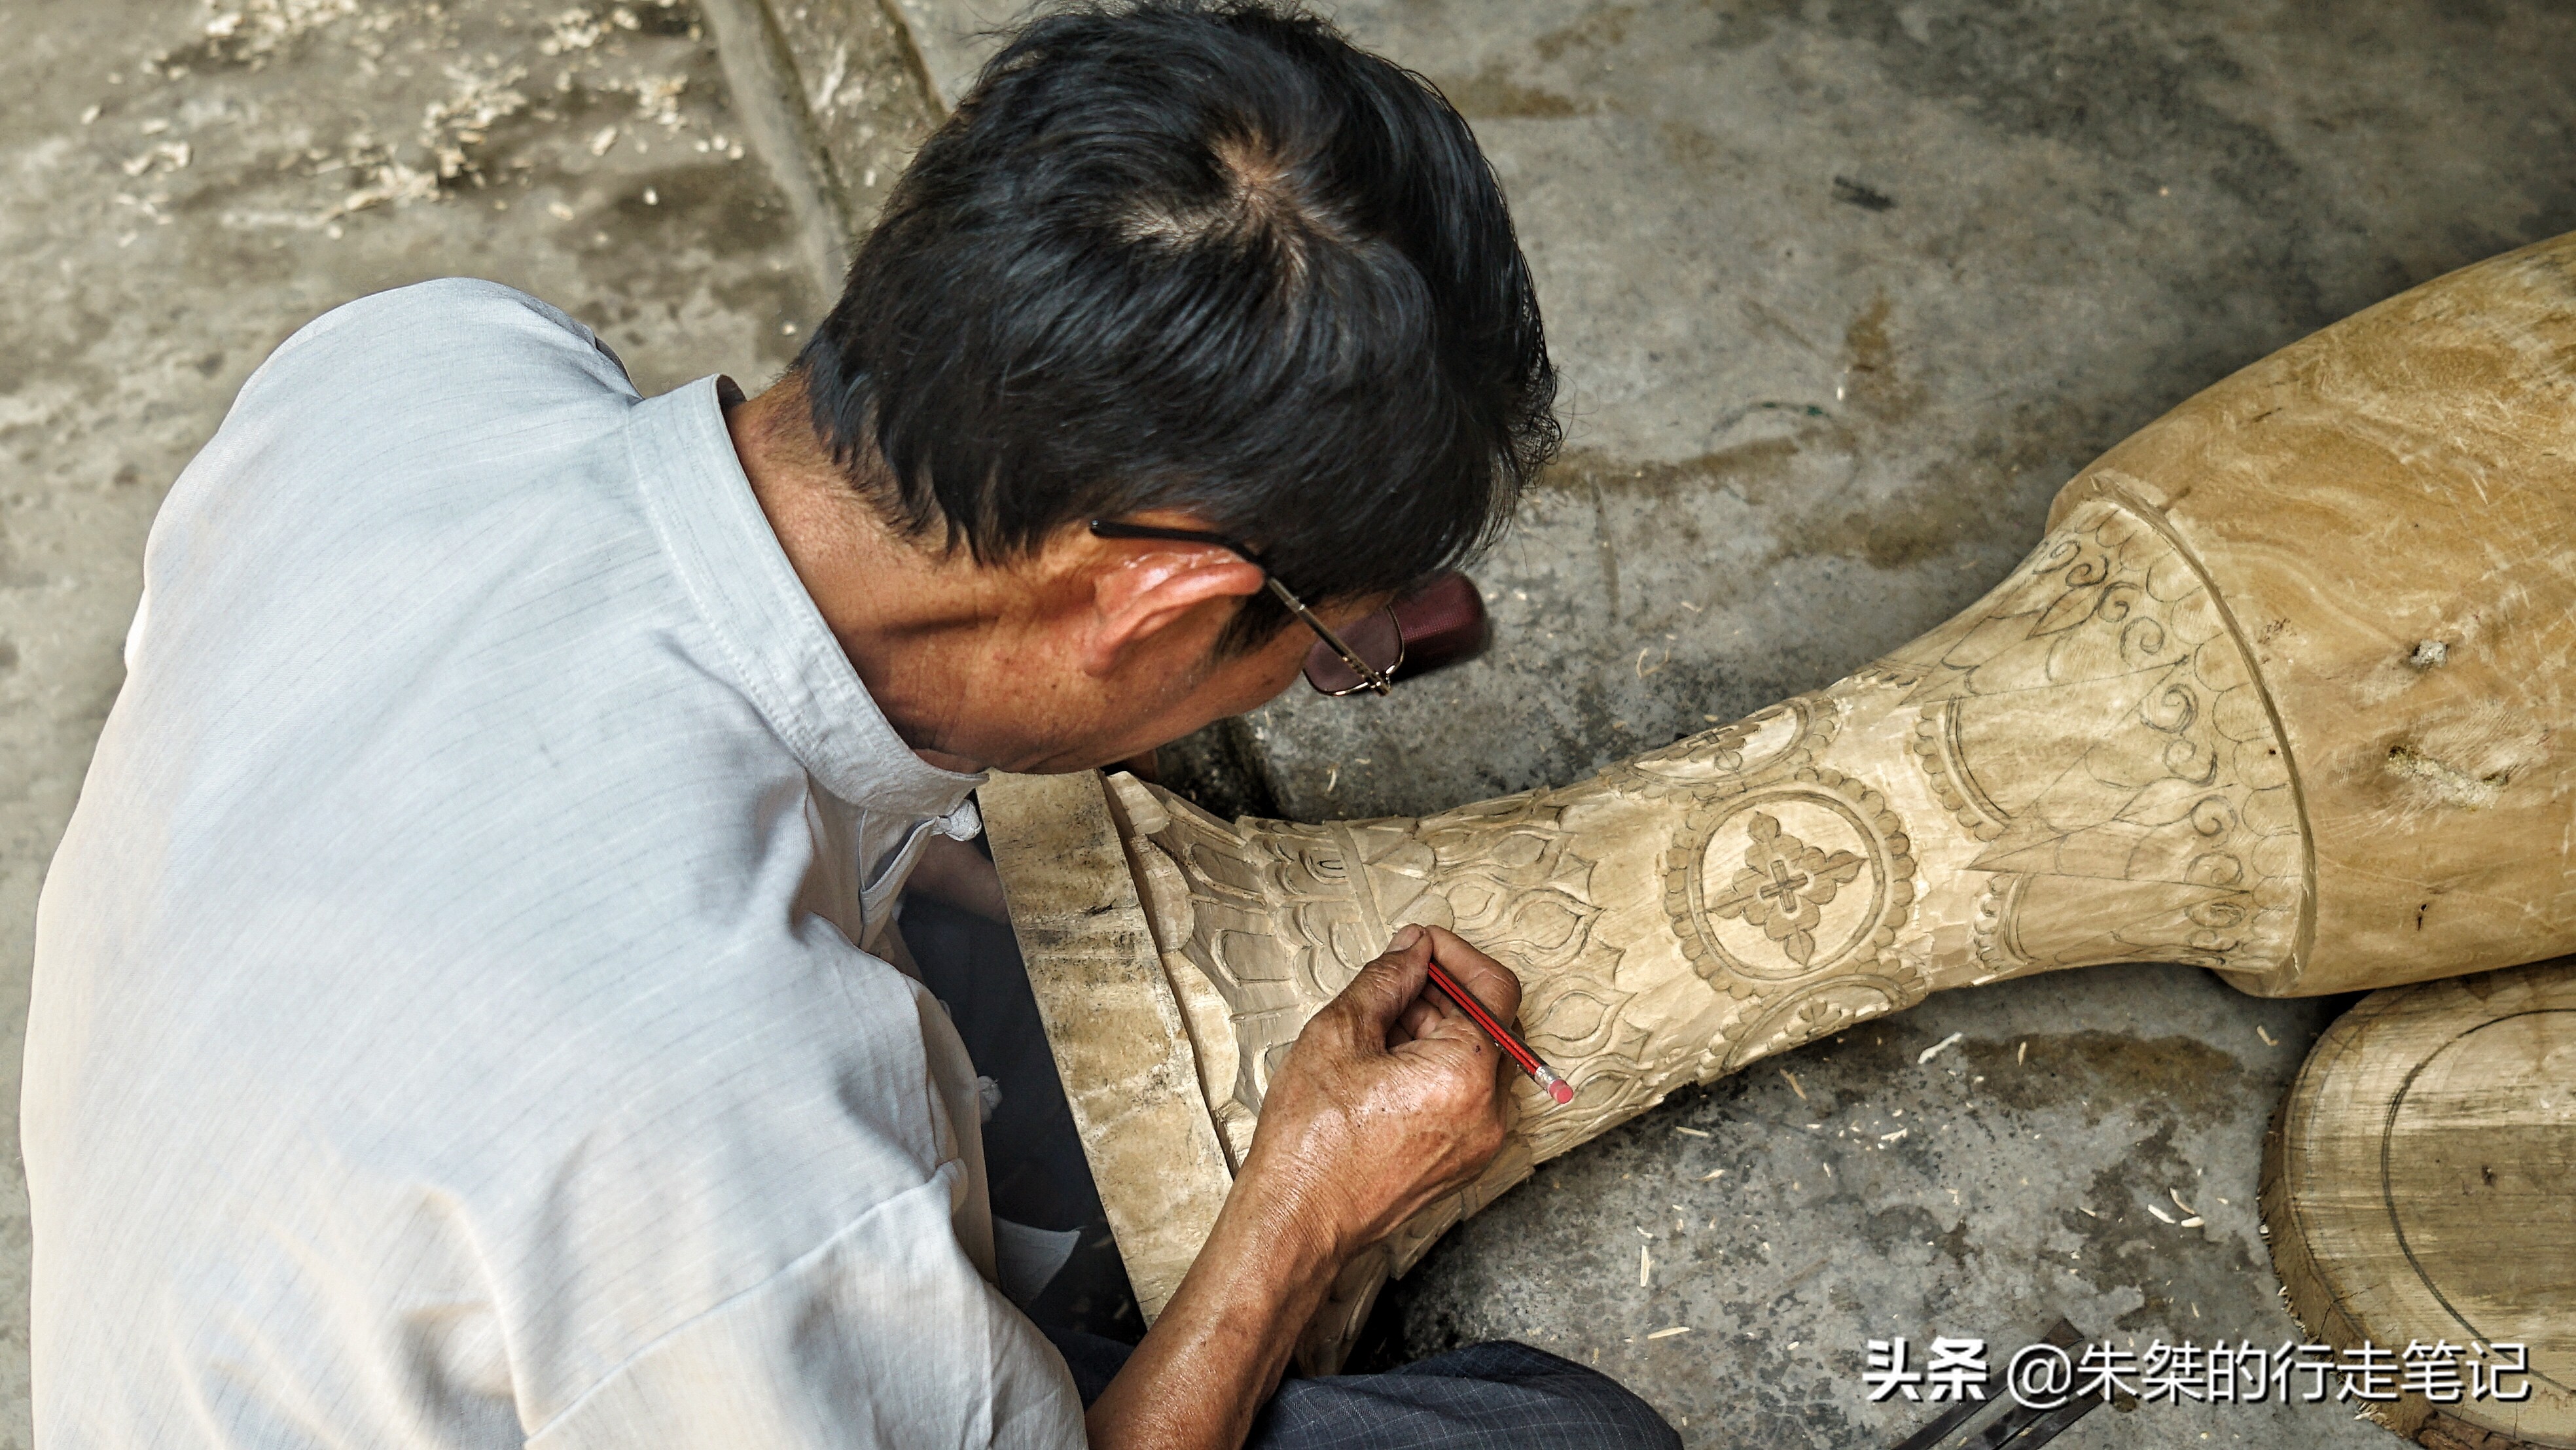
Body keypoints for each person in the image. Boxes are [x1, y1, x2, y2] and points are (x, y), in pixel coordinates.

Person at [22, 3, 1680, 1447]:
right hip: (593, 1261)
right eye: (1332, 637)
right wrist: (1295, 1218)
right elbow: (708, 1124)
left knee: (1006, 962)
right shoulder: (730, 1135)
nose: (1347, 661)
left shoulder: (417, 365)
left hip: (294, 1276)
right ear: (1148, 603)